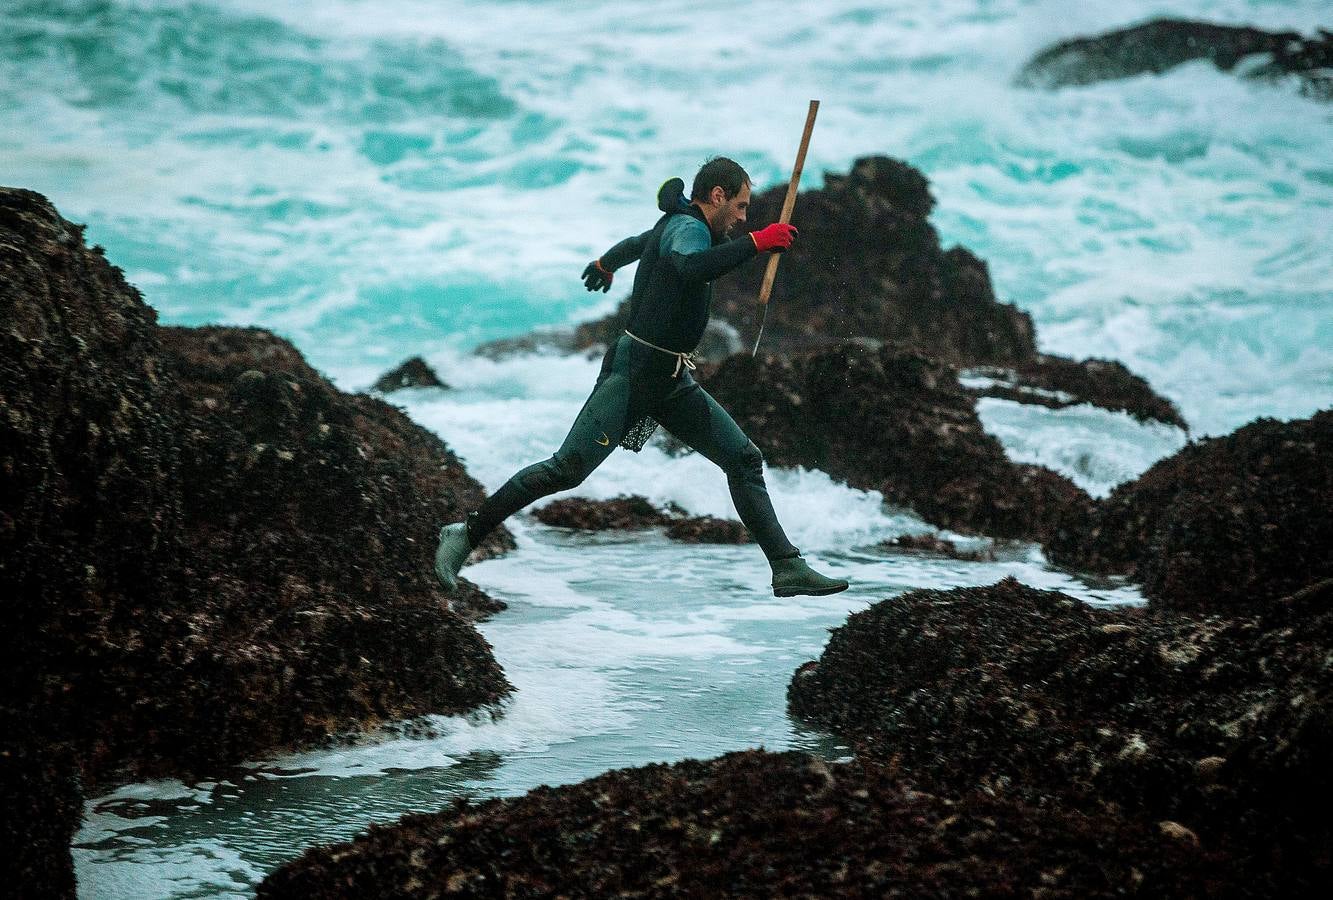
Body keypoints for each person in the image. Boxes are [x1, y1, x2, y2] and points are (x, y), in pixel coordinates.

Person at [435, 157, 849, 598]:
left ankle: (786, 567)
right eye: (742, 206)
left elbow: (640, 241)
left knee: (743, 459)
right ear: (717, 196)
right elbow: (691, 266)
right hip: (634, 376)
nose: (744, 216)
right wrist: (758, 241)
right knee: (565, 470)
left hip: (672, 381)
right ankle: (464, 533)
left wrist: (606, 262)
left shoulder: (681, 223)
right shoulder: (689, 229)